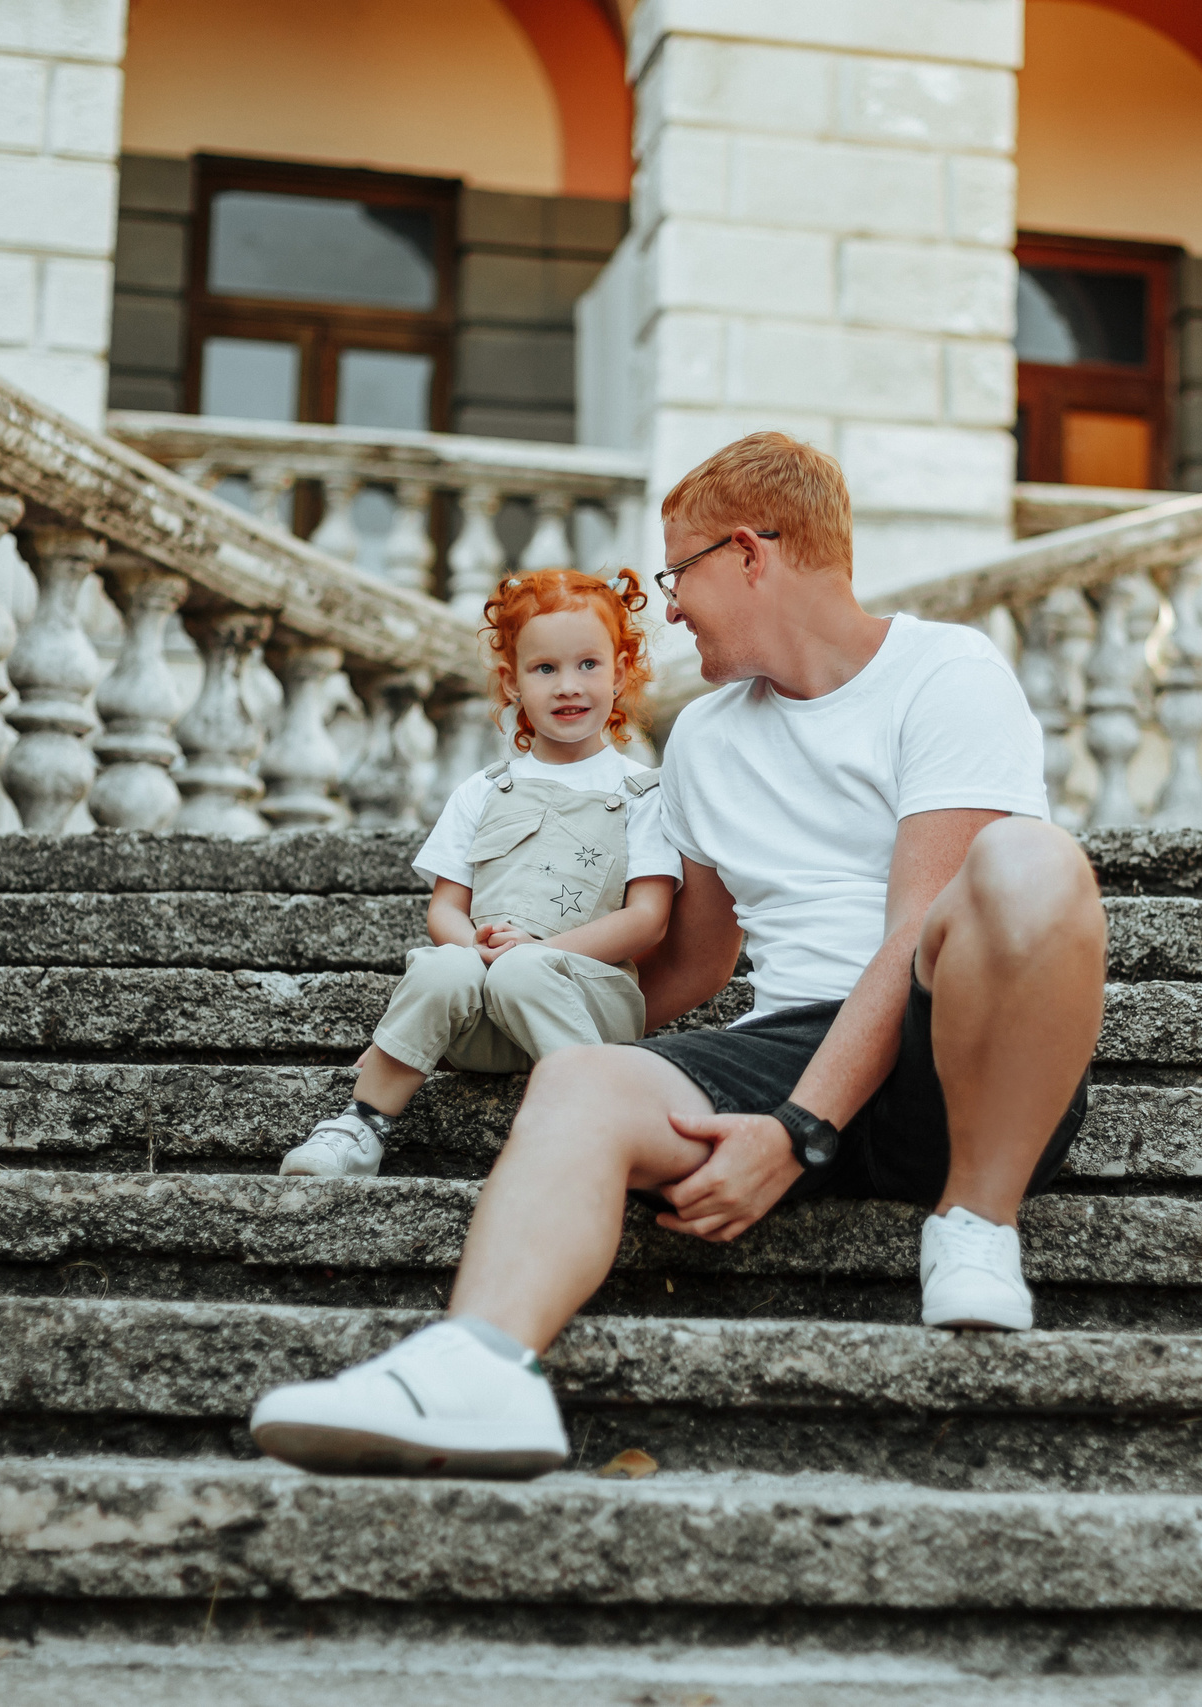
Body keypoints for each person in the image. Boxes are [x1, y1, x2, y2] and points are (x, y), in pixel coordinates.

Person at [248, 433, 1108, 1480]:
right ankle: (478, 1368)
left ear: (749, 554)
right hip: (788, 1045)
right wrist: (512, 1016)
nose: (668, 607)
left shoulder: (946, 671)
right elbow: (694, 969)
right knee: (581, 1077)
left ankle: (975, 1220)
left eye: (677, 572)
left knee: (1028, 860)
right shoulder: (702, 739)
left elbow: (911, 928)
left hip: (959, 1052)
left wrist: (797, 1135)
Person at [276, 567, 679, 1182]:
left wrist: (539, 953)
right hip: (483, 1018)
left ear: (621, 671)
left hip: (580, 1009)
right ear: (512, 681)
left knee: (524, 968)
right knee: (442, 964)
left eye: (589, 665)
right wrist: (478, 952)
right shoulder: (485, 791)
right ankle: (360, 1127)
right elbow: (444, 911)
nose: (568, 685)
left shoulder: (641, 794)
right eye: (545, 669)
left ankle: (606, 1117)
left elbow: (648, 920)